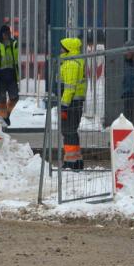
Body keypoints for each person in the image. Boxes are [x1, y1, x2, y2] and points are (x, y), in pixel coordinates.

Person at [59, 37, 87, 170]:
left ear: (68, 48)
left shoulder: (71, 63)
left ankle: (70, 161)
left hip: (70, 103)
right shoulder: (78, 60)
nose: (60, 49)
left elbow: (69, 88)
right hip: (76, 102)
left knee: (67, 131)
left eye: (62, 47)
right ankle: (77, 160)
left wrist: (64, 105)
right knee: (72, 131)